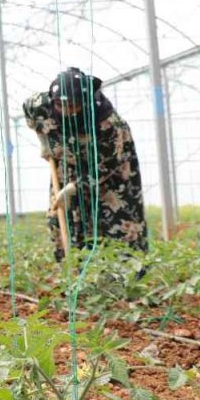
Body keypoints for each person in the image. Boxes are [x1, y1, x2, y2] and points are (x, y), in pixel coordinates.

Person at [24, 67, 147, 263]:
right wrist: (44, 142)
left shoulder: (109, 123)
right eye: (60, 105)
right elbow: (29, 111)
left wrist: (74, 187)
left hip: (110, 172)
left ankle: (124, 272)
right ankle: (72, 268)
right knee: (62, 216)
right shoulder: (41, 104)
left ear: (84, 102)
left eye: (72, 106)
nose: (66, 110)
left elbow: (107, 165)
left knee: (117, 222)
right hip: (69, 162)